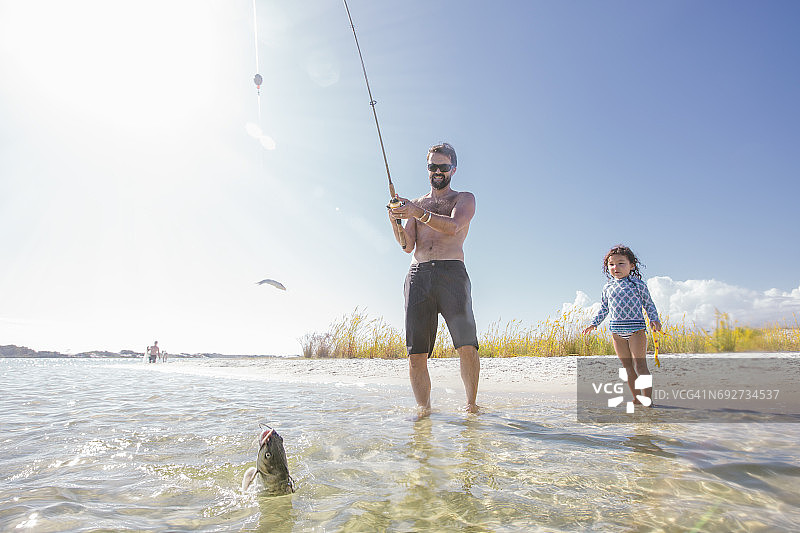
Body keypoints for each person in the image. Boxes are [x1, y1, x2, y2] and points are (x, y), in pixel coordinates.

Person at [387, 142, 480, 415]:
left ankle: (471, 406)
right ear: (427, 169)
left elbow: (453, 227)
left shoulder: (464, 198)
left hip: (452, 272)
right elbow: (407, 246)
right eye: (432, 166)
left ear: (453, 168)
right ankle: (423, 411)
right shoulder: (416, 205)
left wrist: (416, 213)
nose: (437, 171)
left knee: (466, 344)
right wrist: (395, 222)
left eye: (443, 166)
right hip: (419, 275)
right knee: (416, 353)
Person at [582, 245, 661, 405]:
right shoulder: (608, 287)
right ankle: (637, 398)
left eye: (621, 263)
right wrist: (594, 324)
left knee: (640, 365)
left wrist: (654, 319)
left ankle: (647, 399)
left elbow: (648, 303)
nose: (615, 267)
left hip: (636, 330)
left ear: (631, 265)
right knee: (627, 367)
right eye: (611, 264)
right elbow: (604, 308)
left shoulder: (637, 284)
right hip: (617, 332)